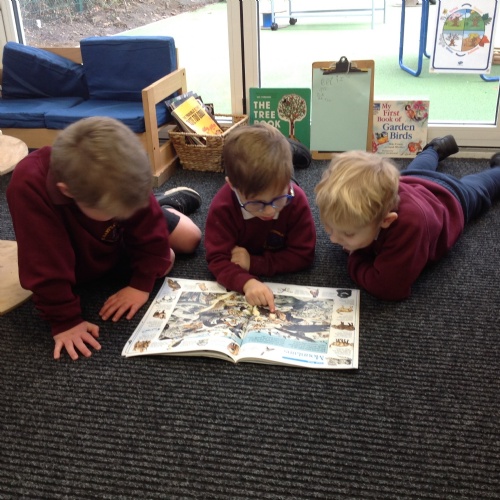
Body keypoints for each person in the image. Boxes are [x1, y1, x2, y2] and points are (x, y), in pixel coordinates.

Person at [6, 116, 202, 360]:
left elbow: (149, 229)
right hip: (79, 248)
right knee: (167, 257)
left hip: (114, 221)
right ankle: (145, 207)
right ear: (69, 192)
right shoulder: (28, 186)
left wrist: (140, 285)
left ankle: (164, 203)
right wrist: (65, 320)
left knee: (190, 238)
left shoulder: (122, 173)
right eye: (118, 209)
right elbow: (43, 264)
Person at [315, 135, 500, 301]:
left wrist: (355, 257)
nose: (333, 239)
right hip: (411, 180)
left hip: (450, 197)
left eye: (348, 233)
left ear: (386, 220)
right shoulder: (382, 194)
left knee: (481, 186)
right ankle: (434, 149)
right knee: (418, 168)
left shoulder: (409, 227)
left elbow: (387, 287)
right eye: (329, 228)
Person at [204, 122, 316, 312]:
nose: (270, 211)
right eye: (256, 204)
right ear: (232, 186)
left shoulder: (295, 199)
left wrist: (254, 264)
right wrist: (246, 282)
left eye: (278, 199)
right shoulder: (223, 206)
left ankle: (291, 151)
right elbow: (216, 259)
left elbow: (304, 255)